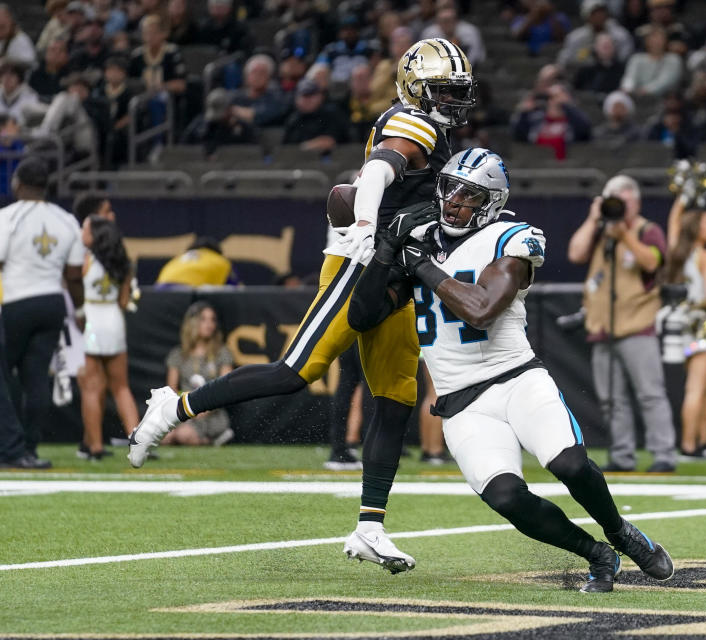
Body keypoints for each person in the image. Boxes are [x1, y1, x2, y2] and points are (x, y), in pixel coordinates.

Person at [127, 38, 477, 575]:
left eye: (457, 91)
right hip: (362, 264)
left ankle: (370, 527)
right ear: (416, 88)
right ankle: (173, 409)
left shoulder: (439, 131)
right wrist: (363, 227)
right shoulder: (414, 122)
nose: (453, 100)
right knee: (297, 370)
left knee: (395, 397)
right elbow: (380, 171)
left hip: (397, 274)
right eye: (444, 90)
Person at [347, 148, 674, 593]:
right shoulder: (418, 235)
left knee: (571, 465)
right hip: (461, 402)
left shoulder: (512, 238)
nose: (453, 202)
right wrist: (385, 251)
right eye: (449, 189)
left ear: (493, 202)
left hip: (517, 379)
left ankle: (619, 531)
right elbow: (362, 317)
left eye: (469, 195)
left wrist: (419, 263)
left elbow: (480, 310)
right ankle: (596, 554)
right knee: (505, 497)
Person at [567, 175, 677, 473]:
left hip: (637, 325)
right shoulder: (600, 231)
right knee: (611, 399)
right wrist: (594, 220)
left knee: (650, 394)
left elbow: (653, 263)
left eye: (625, 202)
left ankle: (663, 453)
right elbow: (575, 253)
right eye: (614, 201)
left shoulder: (648, 231)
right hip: (602, 327)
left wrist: (625, 235)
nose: (621, 208)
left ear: (637, 202)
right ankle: (623, 454)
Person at [0, 157, 84, 467]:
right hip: (52, 302)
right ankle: (29, 450)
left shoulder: (8, 217)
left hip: (16, 301)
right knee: (35, 378)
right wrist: (82, 310)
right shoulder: (65, 220)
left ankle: (10, 449)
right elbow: (74, 275)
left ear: (17, 183)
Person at [74, 195, 139, 460]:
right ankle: (138, 440)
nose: (82, 233)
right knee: (121, 387)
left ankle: (96, 446)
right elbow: (124, 302)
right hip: (113, 319)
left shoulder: (85, 259)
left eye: (86, 229)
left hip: (90, 320)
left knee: (92, 387)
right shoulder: (123, 263)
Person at [665, 190, 706, 460]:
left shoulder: (680, 252)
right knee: (698, 387)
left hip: (687, 325)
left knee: (702, 386)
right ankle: (689, 446)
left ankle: (704, 441)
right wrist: (697, 305)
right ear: (696, 228)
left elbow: (673, 224)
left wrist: (683, 196)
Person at [162, 302, 235, 446]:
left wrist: (203, 408)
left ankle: (209, 439)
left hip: (211, 413)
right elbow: (171, 391)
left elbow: (225, 390)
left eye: (213, 320)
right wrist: (185, 410)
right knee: (164, 437)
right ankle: (207, 440)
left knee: (184, 435)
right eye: (203, 319)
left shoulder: (222, 353)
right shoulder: (178, 354)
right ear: (192, 323)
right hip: (184, 411)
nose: (209, 324)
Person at [155, 236, 240, 287]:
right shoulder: (221, 261)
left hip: (159, 292)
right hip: (186, 293)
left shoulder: (178, 259)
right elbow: (236, 290)